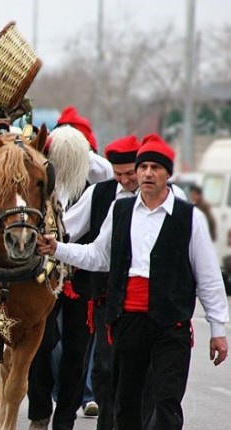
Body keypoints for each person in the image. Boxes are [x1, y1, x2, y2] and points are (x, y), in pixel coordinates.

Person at [37, 134, 229, 430]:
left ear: (168, 174)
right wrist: (57, 248)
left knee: (165, 399)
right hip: (127, 321)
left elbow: (208, 276)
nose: (147, 174)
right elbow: (97, 256)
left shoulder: (188, 216)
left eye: (155, 167)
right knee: (125, 399)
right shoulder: (121, 210)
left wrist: (218, 329)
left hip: (170, 323)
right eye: (143, 167)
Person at [27, 114, 113, 430]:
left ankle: (65, 417)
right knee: (42, 342)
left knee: (77, 349)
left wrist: (73, 143)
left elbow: (102, 167)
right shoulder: (41, 175)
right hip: (43, 273)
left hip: (82, 274)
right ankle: (38, 411)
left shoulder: (97, 179)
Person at [62, 135, 143, 430]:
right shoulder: (100, 194)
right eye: (118, 174)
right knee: (105, 371)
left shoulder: (173, 199)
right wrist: (49, 244)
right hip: (107, 300)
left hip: (151, 305)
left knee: (146, 377)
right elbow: (69, 231)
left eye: (130, 173)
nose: (125, 180)